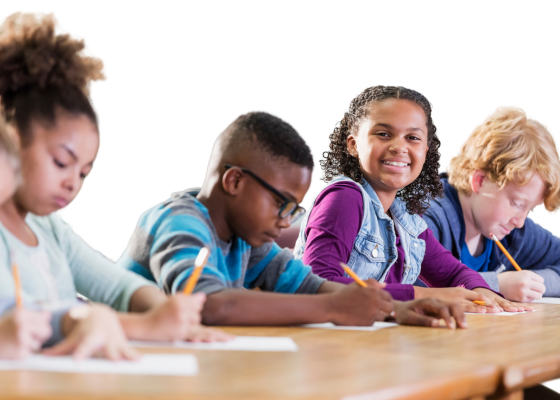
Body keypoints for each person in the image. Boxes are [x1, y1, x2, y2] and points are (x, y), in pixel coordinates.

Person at [0, 10, 231, 360]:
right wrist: (140, 327)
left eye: (81, 173)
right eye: (61, 162)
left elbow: (116, 286)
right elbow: (18, 318)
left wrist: (163, 311)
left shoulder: (48, 227)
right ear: (10, 139)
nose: (71, 184)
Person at [119, 109, 468, 329]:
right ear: (235, 181)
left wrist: (391, 308)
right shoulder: (179, 222)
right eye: (281, 204)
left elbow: (308, 285)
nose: (286, 222)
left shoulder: (247, 238)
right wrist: (334, 308)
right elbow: (209, 305)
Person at [293, 84, 531, 313]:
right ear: (354, 145)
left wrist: (482, 292)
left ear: (425, 151)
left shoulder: (404, 217)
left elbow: (453, 273)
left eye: (413, 138)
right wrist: (427, 295)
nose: (399, 147)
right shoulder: (344, 198)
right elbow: (318, 284)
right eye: (383, 134)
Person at [421, 104, 560, 302]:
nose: (520, 222)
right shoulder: (427, 217)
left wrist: (535, 283)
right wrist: (495, 285)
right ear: (480, 181)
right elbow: (406, 286)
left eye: (529, 209)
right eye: (517, 203)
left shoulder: (513, 231)